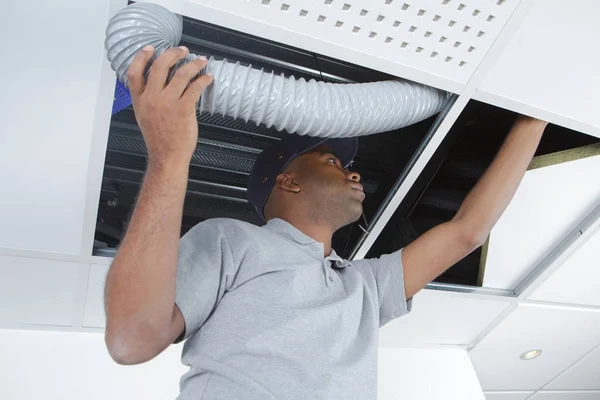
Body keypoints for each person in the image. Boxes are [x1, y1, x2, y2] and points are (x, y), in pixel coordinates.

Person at [104, 45, 548, 399]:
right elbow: (131, 340)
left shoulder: (363, 286)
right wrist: (169, 153)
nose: (354, 173)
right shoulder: (230, 240)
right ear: (287, 181)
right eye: (333, 160)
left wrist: (535, 119)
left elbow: (466, 231)